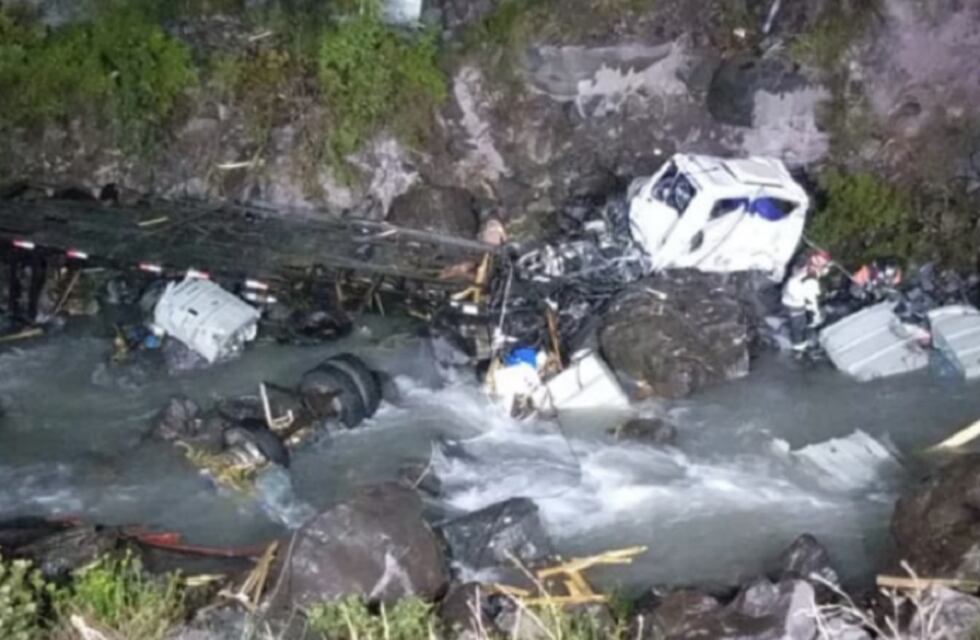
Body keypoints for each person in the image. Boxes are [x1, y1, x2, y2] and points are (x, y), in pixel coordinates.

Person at [782, 249, 832, 351]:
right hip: (795, 302)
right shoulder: (811, 281)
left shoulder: (805, 265)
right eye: (822, 261)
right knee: (799, 325)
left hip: (788, 295)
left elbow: (814, 272)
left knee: (800, 319)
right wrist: (816, 314)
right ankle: (799, 347)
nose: (823, 264)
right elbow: (811, 301)